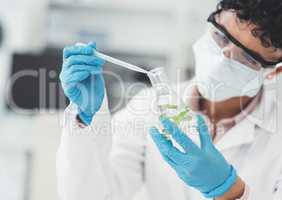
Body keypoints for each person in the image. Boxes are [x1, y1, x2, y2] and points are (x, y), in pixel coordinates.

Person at [57, 0, 282, 199]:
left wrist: (228, 191)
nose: (222, 59)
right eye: (221, 36)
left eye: (245, 57)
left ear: (274, 72)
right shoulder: (148, 106)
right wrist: (86, 118)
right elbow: (90, 196)